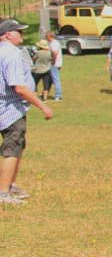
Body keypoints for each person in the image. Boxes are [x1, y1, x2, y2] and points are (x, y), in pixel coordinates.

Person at [0, 19, 53, 206]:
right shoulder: (10, 55)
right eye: (18, 32)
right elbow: (19, 88)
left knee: (18, 146)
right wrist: (42, 105)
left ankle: (11, 184)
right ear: (8, 34)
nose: (22, 35)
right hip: (10, 110)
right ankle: (4, 193)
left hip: (8, 108)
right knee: (12, 148)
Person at [45, 32, 62, 101]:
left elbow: (54, 53)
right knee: (50, 79)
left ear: (50, 36)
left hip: (55, 64)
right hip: (57, 63)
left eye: (46, 36)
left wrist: (53, 61)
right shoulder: (54, 43)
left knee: (55, 79)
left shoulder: (54, 43)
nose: (46, 38)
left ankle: (58, 96)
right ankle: (45, 94)